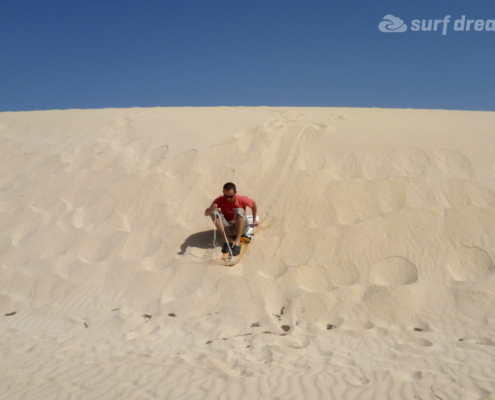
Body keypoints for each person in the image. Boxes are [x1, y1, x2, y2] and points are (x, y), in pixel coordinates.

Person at [205, 182, 258, 256]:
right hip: (227, 228)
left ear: (235, 192)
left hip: (240, 228)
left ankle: (237, 242)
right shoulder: (220, 199)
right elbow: (206, 213)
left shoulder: (241, 199)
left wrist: (254, 220)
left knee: (239, 210)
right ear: (223, 192)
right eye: (226, 196)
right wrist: (211, 209)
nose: (228, 199)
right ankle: (228, 240)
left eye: (231, 196)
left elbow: (253, 204)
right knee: (214, 212)